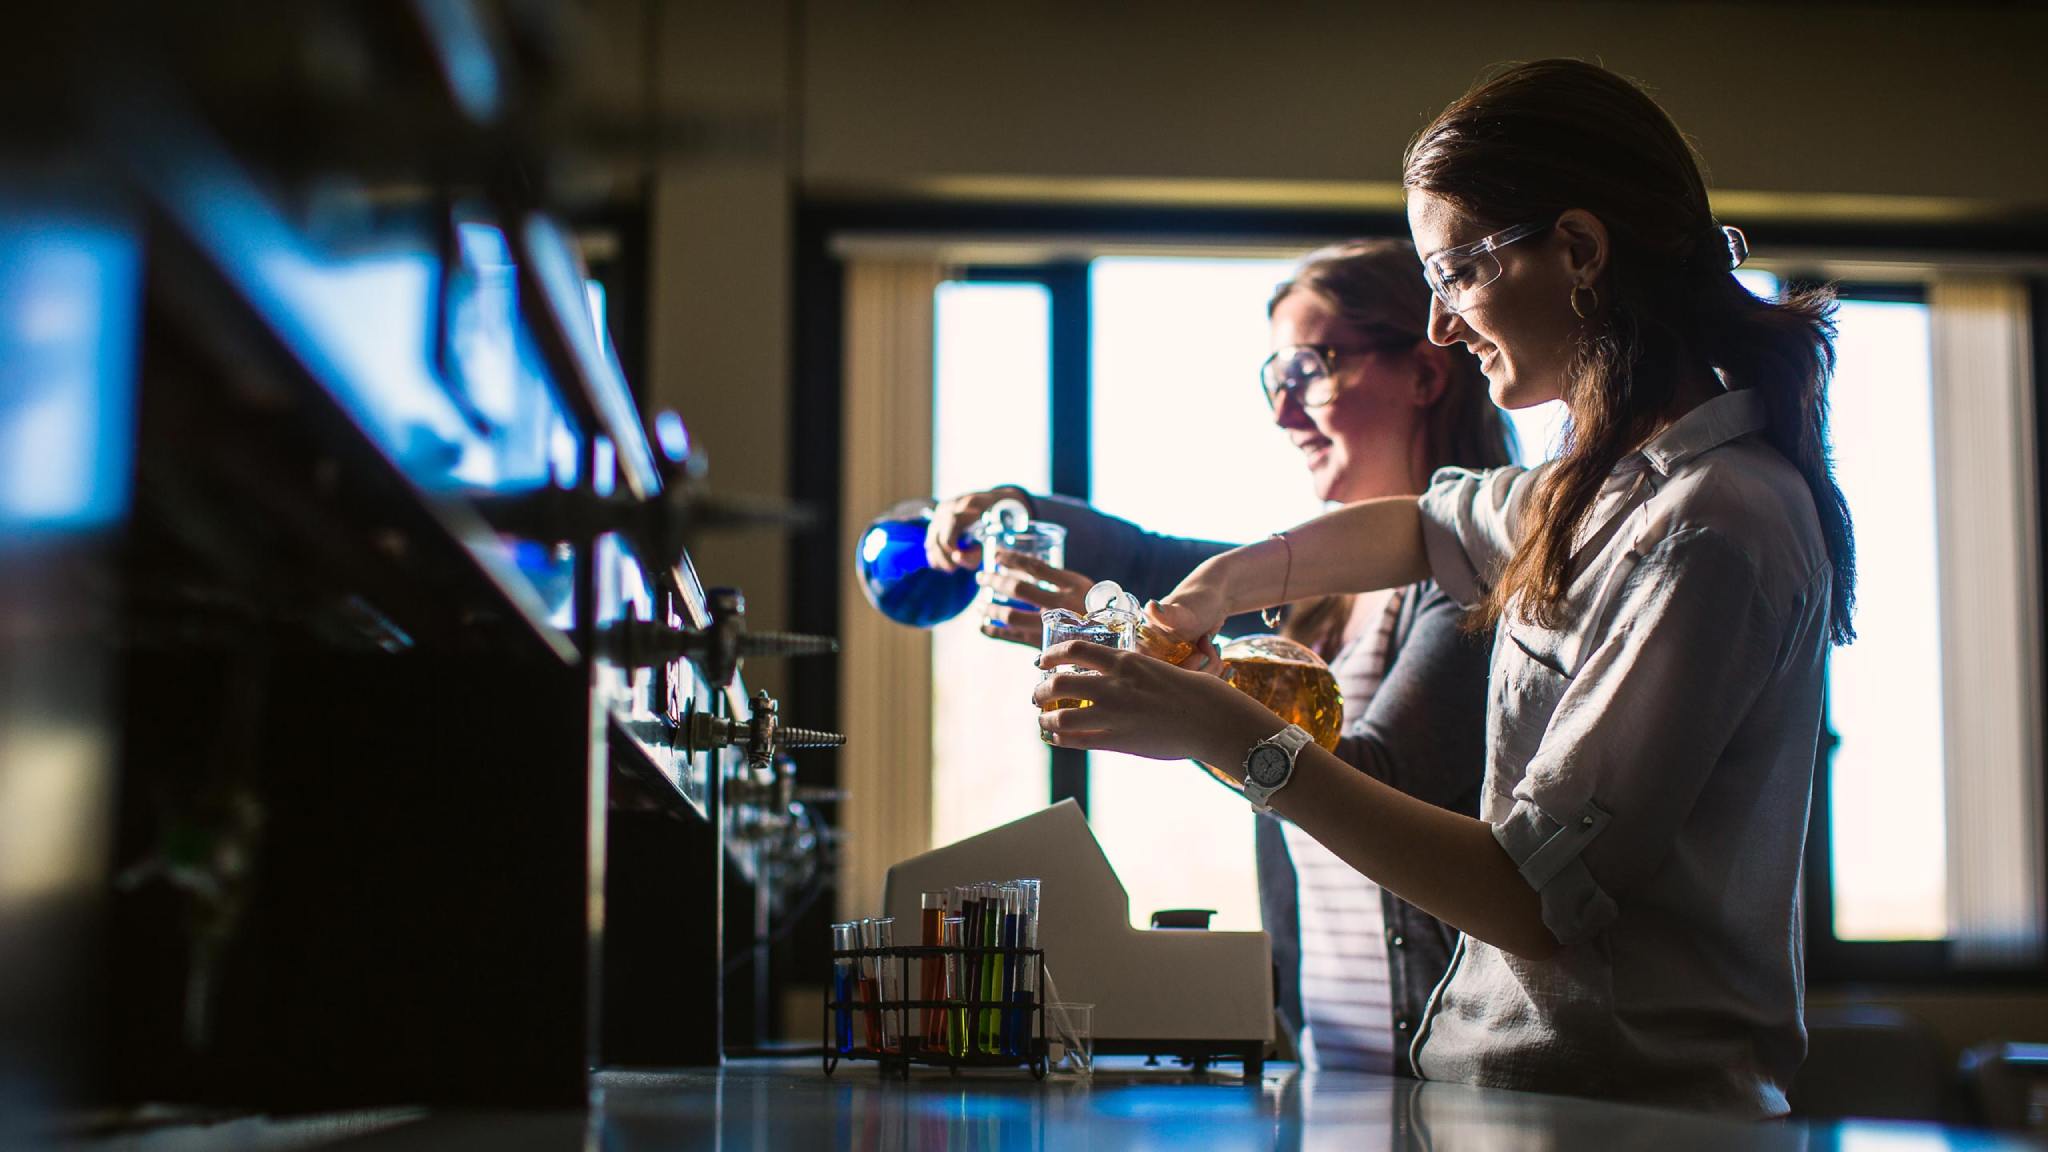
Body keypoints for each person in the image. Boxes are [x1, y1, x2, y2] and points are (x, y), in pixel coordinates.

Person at [1032, 59, 1853, 1118]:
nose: (1441, 326)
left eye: (1457, 272)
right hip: (1517, 1102)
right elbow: (1422, 524)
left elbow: (1530, 898)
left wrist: (1225, 734)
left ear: (1579, 251)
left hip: (1623, 1117)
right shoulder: (1591, 491)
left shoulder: (1709, 525)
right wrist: (1220, 585)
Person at [927, 240, 1514, 1074]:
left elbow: (1378, 784)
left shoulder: (1491, 571)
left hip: (1444, 1065)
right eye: (1276, 380)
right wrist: (1009, 506)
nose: (1284, 413)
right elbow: (1145, 559)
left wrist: (1191, 699)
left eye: (1311, 369)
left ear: (1425, 373)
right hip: (1329, 1054)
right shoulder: (1310, 590)